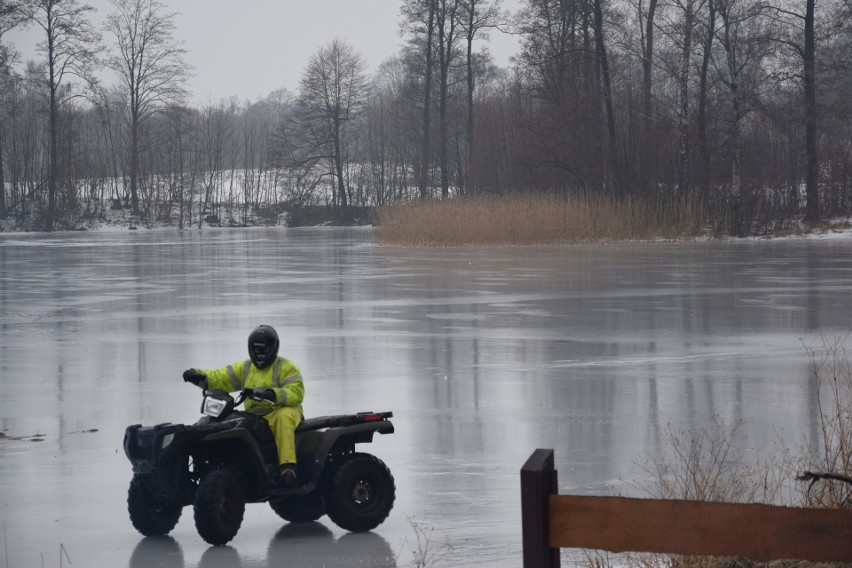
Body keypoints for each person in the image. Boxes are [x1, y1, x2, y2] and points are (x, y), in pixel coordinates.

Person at [182, 324, 304, 487]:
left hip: (280, 410)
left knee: (284, 417)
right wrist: (198, 376)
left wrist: (272, 394)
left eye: (264, 350)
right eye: (256, 350)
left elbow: (296, 392)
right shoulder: (246, 368)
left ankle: (287, 467)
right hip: (254, 414)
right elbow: (221, 377)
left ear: (273, 348)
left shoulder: (286, 367)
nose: (259, 354)